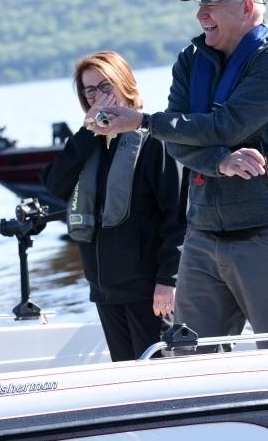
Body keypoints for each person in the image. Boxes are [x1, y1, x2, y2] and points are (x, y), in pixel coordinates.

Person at [95, 0, 268, 350]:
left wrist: (144, 121)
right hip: (203, 235)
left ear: (246, 7)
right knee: (189, 357)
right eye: (198, 5)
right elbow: (176, 137)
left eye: (211, 4)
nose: (200, 15)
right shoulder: (191, 58)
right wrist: (218, 163)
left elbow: (226, 126)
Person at [39, 51, 185, 361]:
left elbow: (178, 218)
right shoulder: (90, 142)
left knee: (158, 375)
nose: (98, 97)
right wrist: (86, 133)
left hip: (148, 290)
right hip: (105, 290)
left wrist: (167, 282)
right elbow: (54, 185)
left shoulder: (155, 142)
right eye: (89, 91)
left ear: (126, 85)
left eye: (105, 86)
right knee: (127, 378)